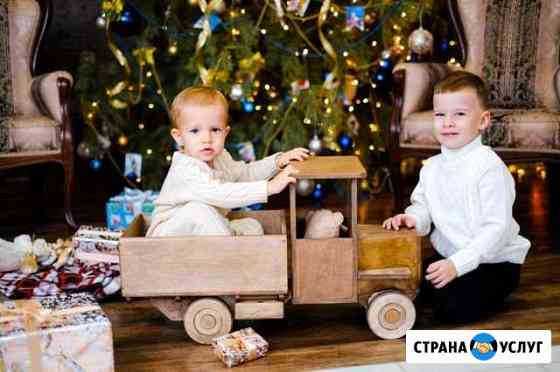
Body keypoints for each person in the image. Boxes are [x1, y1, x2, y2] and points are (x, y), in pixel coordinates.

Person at [382, 71, 530, 323]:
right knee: (409, 285)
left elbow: (496, 229)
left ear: (483, 121)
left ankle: (491, 292)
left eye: (459, 114)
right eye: (440, 115)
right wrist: (413, 219)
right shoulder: (432, 167)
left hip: (491, 261)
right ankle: (445, 286)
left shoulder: (489, 168)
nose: (447, 123)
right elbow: (423, 206)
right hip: (450, 255)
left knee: (450, 310)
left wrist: (458, 264)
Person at [146, 86, 309, 237]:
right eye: (195, 131)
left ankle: (230, 245)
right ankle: (230, 251)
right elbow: (219, 193)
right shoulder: (185, 169)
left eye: (215, 130)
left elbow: (245, 174)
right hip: (167, 234)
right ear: (179, 137)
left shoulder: (220, 156)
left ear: (225, 132)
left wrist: (277, 162)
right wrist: (269, 188)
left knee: (252, 226)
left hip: (205, 229)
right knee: (198, 210)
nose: (207, 139)